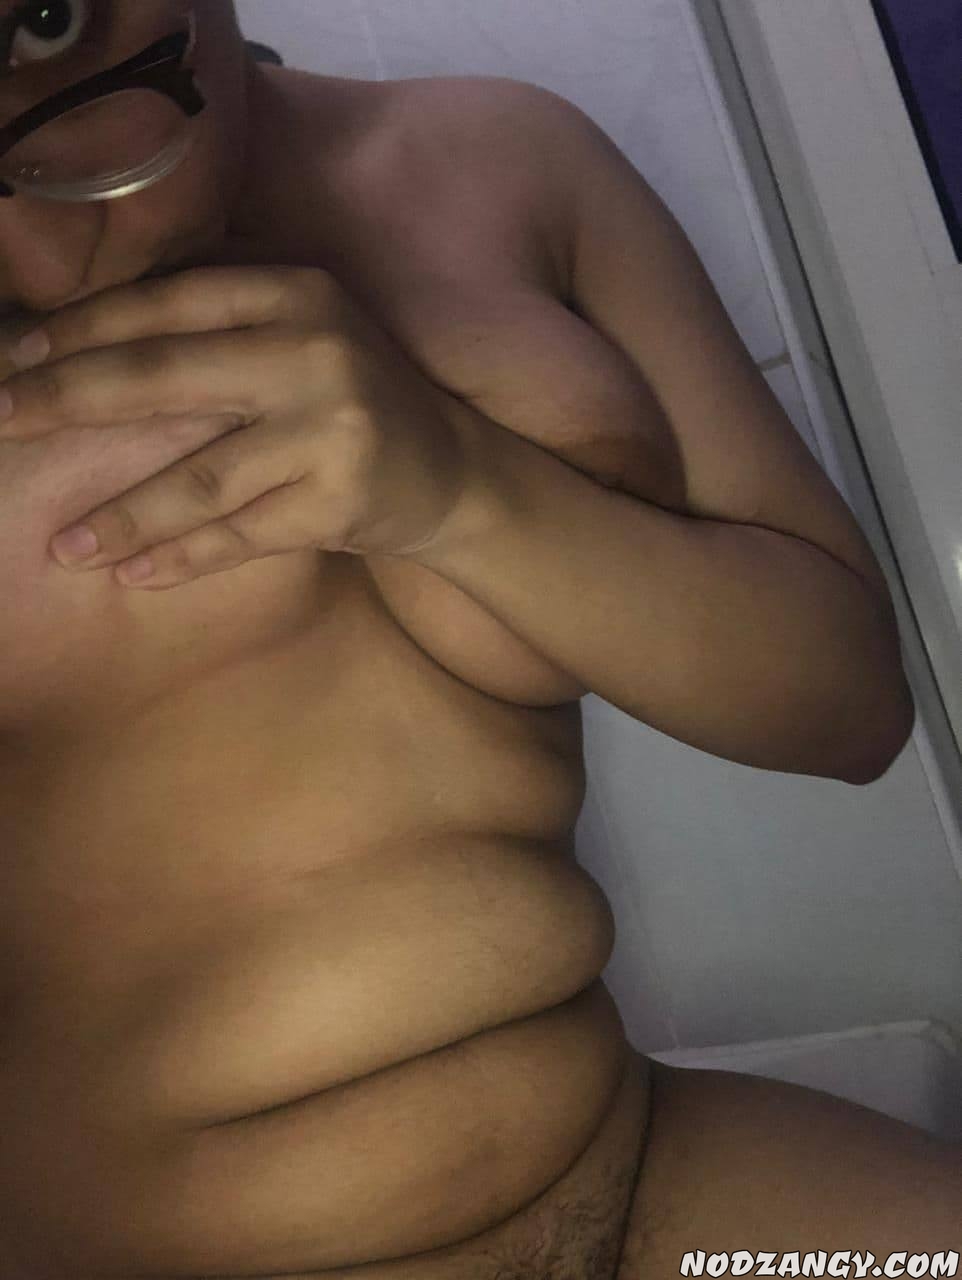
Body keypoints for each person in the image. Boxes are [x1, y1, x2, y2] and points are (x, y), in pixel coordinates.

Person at [0, 3, 958, 1277]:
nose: (33, 252)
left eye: (46, 22)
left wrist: (459, 489)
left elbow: (847, 705)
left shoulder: (504, 161)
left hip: (639, 1189)